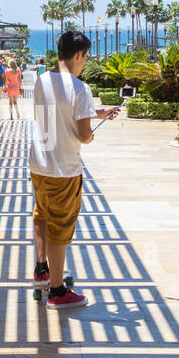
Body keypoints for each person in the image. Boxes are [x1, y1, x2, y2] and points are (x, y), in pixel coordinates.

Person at [29, 30, 116, 308]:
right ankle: (57, 291)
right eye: (85, 56)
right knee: (60, 228)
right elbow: (83, 135)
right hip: (63, 170)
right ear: (78, 54)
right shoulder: (80, 88)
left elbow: (57, 112)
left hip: (39, 165)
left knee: (42, 215)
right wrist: (92, 131)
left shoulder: (42, 80)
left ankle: (42, 271)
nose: (85, 62)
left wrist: (95, 112)